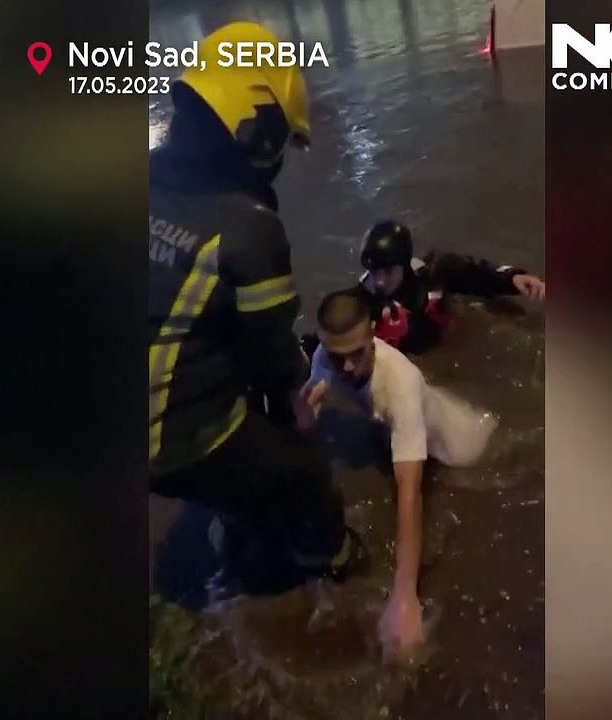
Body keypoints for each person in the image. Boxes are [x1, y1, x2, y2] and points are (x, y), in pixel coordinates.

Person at [148, 21, 364, 596]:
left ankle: (238, 511)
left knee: (247, 442)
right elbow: (273, 355)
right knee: (305, 475)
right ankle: (330, 564)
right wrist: (296, 404)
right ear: (259, 131)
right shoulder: (248, 227)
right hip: (167, 436)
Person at [295, 290, 499, 661]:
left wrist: (404, 596)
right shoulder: (327, 357)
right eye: (336, 356)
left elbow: (409, 492)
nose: (346, 368)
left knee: (456, 483)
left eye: (357, 353)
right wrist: (304, 423)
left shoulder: (400, 382)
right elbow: (309, 411)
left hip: (462, 446)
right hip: (416, 415)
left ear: (373, 332)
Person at [302, 220, 547, 357]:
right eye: (375, 272)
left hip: (451, 339)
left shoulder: (434, 272)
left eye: (388, 272)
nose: (379, 281)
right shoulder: (360, 305)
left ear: (404, 265)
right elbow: (327, 339)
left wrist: (514, 278)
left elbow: (480, 274)